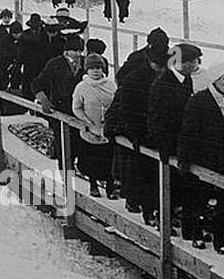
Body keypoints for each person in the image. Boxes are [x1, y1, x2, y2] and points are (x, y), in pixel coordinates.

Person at [177, 61, 224, 253]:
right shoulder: (200, 100)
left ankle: (220, 237)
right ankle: (197, 234)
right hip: (203, 158)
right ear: (215, 79)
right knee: (199, 198)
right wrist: (185, 160)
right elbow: (189, 131)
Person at [109, 41, 169, 221]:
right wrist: (137, 133)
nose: (160, 68)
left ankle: (156, 208)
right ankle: (145, 208)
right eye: (157, 64)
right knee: (140, 173)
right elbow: (127, 109)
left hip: (155, 133)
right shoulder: (135, 78)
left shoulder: (166, 77)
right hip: (139, 134)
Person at [145, 43, 202, 229]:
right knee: (165, 184)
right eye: (194, 61)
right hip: (169, 146)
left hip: (181, 144)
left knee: (179, 184)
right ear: (182, 63)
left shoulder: (185, 80)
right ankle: (163, 219)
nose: (197, 64)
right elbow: (156, 119)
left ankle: (173, 215)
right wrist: (165, 146)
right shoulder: (162, 84)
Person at [32, 34, 85, 165]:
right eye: (75, 51)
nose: (78, 54)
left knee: (80, 146)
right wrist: (43, 100)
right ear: (66, 51)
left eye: (80, 50)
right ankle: (66, 175)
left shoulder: (85, 63)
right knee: (64, 147)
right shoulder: (55, 63)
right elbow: (37, 84)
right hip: (61, 111)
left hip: (81, 112)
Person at [72, 53, 116, 197]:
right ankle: (93, 186)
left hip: (107, 129)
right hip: (90, 130)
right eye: (92, 68)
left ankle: (110, 188)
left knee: (109, 160)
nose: (96, 71)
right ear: (87, 70)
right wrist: (86, 121)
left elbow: (116, 103)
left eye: (98, 67)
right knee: (92, 161)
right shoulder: (81, 87)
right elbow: (76, 107)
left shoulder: (110, 84)